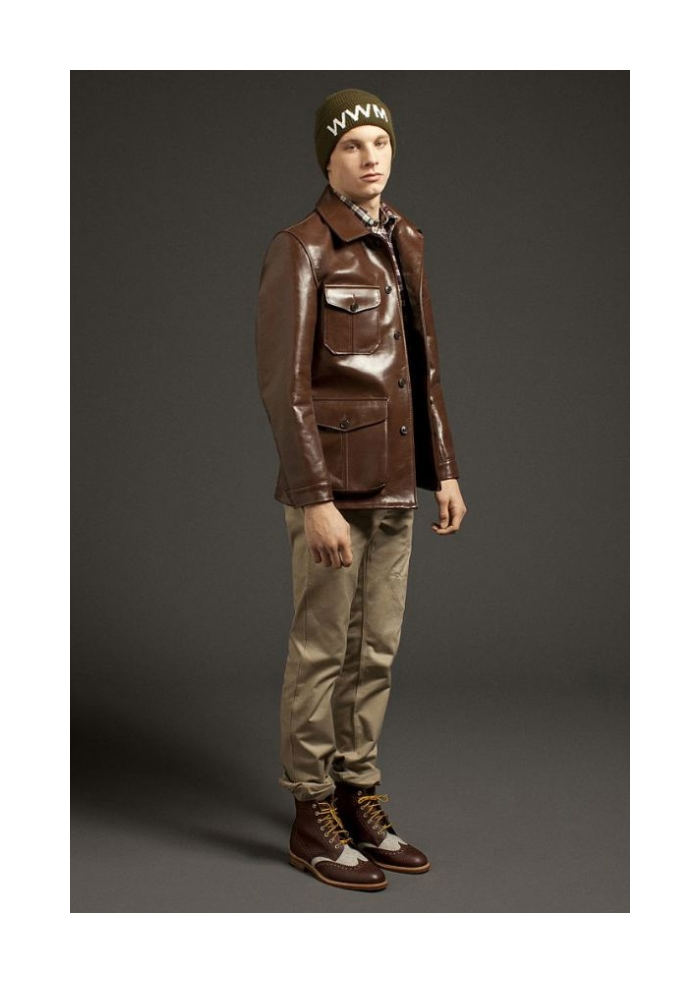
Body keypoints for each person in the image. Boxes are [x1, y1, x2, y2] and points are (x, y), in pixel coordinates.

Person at [255, 88, 468, 892]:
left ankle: (357, 789)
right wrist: (313, 498)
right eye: (352, 145)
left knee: (376, 646)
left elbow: (423, 366)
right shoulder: (302, 247)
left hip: (397, 480)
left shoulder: (404, 237)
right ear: (328, 157)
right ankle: (311, 809)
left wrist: (444, 468)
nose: (370, 156)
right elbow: (285, 388)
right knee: (322, 649)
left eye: (380, 141)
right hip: (334, 488)